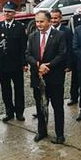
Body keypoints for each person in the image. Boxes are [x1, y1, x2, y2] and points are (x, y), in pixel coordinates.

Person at [26, 10, 68, 143]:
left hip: (54, 78)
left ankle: (59, 135)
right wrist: (38, 64)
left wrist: (48, 66)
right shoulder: (33, 36)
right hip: (38, 78)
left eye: (41, 21)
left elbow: (62, 54)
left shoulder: (59, 35)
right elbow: (27, 54)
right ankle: (42, 131)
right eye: (37, 21)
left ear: (49, 22)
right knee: (40, 106)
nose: (39, 24)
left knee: (57, 107)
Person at [0, 2, 28, 123]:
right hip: (3, 64)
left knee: (19, 89)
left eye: (9, 11)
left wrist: (24, 63)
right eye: (5, 11)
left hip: (16, 64)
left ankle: (19, 112)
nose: (6, 13)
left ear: (14, 13)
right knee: (5, 90)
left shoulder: (20, 27)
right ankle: (9, 112)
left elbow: (24, 47)